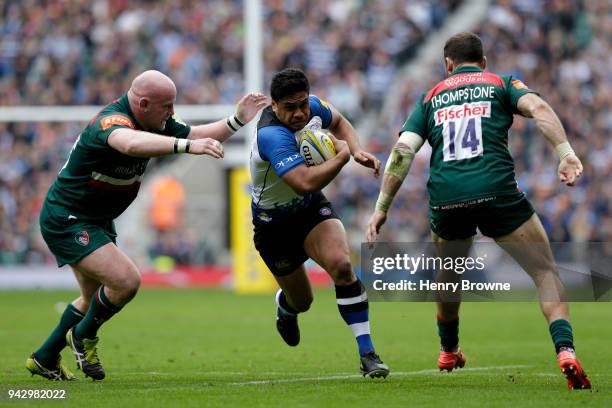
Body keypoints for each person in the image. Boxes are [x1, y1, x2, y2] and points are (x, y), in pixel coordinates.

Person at [366, 32, 591, 390]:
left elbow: (402, 152)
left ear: (448, 64)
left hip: (447, 198)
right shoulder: (501, 83)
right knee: (546, 273)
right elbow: (540, 109)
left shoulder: (430, 97)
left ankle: (448, 348)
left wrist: (381, 208)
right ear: (483, 62)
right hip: (497, 192)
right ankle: (565, 351)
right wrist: (565, 153)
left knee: (450, 276)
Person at [26, 70, 268, 381]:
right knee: (126, 281)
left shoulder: (155, 120)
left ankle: (45, 357)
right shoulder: (111, 122)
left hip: (95, 218)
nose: (171, 113)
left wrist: (236, 120)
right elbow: (129, 144)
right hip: (68, 217)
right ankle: (83, 336)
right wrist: (184, 147)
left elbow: (197, 135)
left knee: (92, 298)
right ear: (142, 103)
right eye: (166, 106)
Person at [250, 68, 389, 378]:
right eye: (290, 107)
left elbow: (339, 121)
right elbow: (303, 182)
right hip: (273, 226)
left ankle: (368, 353)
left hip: (309, 210)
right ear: (273, 106)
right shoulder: (271, 135)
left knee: (342, 266)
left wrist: (355, 150)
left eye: (302, 105)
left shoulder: (312, 106)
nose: (299, 113)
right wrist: (341, 158)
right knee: (303, 301)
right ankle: (286, 308)